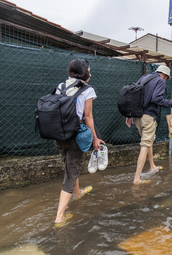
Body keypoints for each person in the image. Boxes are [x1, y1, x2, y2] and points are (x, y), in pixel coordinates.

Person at [54, 59, 105, 226]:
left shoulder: (60, 86)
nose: (90, 74)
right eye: (89, 71)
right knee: (71, 173)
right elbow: (88, 116)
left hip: (59, 135)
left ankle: (77, 193)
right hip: (76, 135)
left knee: (70, 167)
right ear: (83, 73)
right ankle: (59, 216)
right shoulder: (87, 89)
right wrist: (95, 138)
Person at [126, 65, 172, 185]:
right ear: (165, 75)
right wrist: (171, 104)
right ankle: (137, 179)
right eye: (166, 78)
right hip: (148, 117)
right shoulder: (160, 81)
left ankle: (152, 166)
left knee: (149, 141)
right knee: (145, 145)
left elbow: (134, 97)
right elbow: (156, 99)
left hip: (138, 116)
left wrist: (129, 115)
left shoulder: (144, 78)